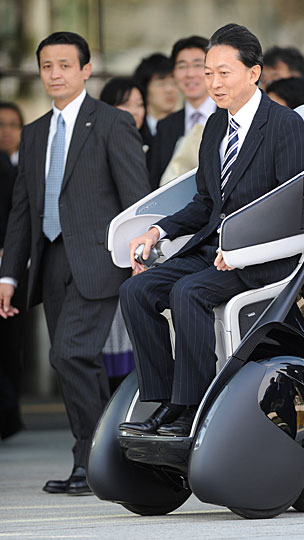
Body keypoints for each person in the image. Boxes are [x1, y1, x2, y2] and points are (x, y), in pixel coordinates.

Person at [119, 23, 304, 438]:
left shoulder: (285, 125)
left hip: (261, 257)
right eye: (208, 73)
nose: (213, 82)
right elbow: (206, 202)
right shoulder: (214, 127)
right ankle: (167, 398)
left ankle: (193, 407)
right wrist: (157, 232)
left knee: (188, 293)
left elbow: (290, 210)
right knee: (135, 291)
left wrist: (241, 249)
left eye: (224, 72)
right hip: (214, 252)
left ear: (254, 73)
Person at [0, 32, 149, 492]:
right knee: (68, 360)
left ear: (86, 70)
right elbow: (23, 211)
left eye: (65, 65)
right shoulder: (35, 132)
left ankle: (93, 459)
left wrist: (140, 255)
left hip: (100, 262)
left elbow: (135, 199)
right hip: (50, 264)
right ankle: (103, 455)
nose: (55, 74)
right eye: (46, 66)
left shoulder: (111, 123)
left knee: (71, 354)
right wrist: (9, 274)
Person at [99, 77, 147, 392]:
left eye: (138, 104)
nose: (133, 111)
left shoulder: (157, 141)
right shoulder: (103, 145)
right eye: (124, 103)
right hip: (117, 256)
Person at [148, 35, 216, 190]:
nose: (190, 74)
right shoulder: (165, 127)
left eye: (198, 65)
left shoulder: (231, 116)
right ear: (174, 73)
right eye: (182, 66)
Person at [0, 102, 25, 439]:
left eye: (13, 124)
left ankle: (11, 413)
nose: (6, 131)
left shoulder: (31, 166)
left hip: (19, 267)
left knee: (12, 345)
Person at [133, 53, 178, 151]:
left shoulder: (186, 127)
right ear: (144, 88)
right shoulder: (134, 130)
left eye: (174, 82)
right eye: (161, 83)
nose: (169, 89)